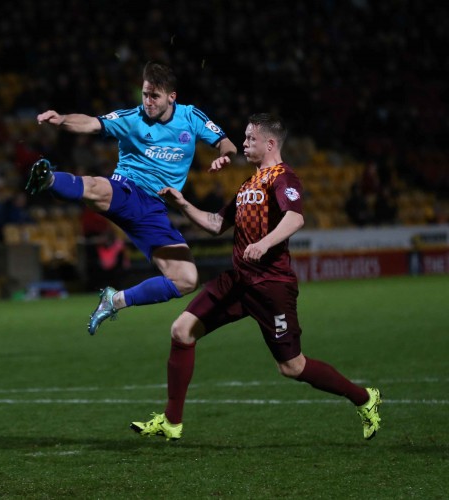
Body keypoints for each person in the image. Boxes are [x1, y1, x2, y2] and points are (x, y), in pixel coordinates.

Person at [130, 113, 382, 442]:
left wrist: (263, 244)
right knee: (181, 330)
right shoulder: (248, 184)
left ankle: (364, 398)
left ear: (270, 144)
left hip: (271, 286)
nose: (244, 144)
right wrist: (182, 204)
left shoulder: (283, 178)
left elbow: (295, 219)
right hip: (238, 280)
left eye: (250, 139)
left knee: (291, 367)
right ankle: (171, 421)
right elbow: (216, 224)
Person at [26, 61, 237, 334]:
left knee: (186, 279)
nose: (147, 101)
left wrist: (225, 156)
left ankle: (114, 300)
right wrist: (62, 119)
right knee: (96, 188)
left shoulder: (191, 117)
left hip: (155, 210)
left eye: (154, 96)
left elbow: (226, 142)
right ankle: (49, 179)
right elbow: (92, 123)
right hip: (127, 190)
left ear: (172, 97)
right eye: (145, 94)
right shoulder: (132, 119)